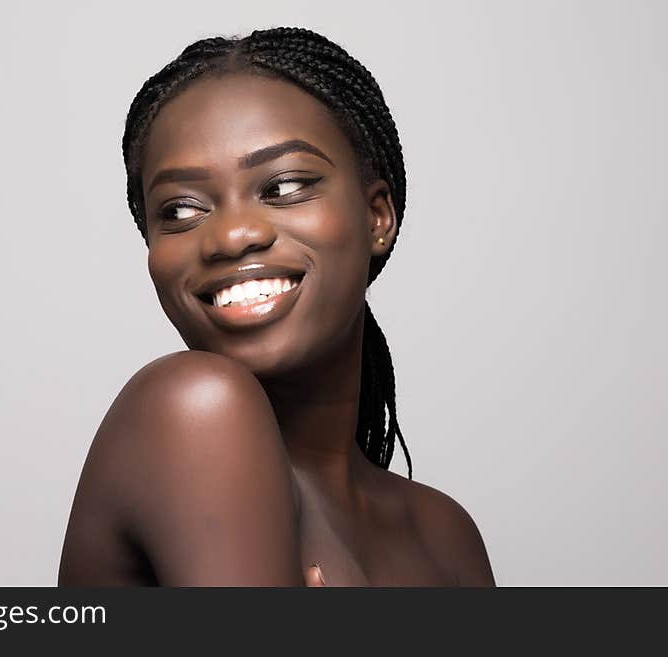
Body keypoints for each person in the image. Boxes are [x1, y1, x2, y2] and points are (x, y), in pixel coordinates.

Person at [58, 27, 495, 586]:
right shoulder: (195, 409)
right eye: (181, 210)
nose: (233, 235)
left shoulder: (446, 534)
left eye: (285, 187)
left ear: (377, 217)